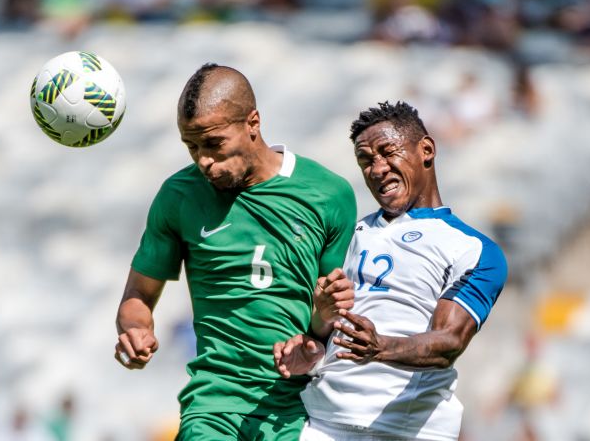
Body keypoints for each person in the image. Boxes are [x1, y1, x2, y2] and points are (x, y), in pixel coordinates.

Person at [113, 63, 357, 440]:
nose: (203, 159)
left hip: (297, 407)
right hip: (213, 406)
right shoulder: (178, 196)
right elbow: (138, 296)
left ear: (253, 123)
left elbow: (326, 316)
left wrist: (320, 322)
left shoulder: (328, 194)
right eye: (191, 146)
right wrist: (135, 330)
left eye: (214, 143)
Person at [273, 101, 508, 440]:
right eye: (365, 161)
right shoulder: (352, 234)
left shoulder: (474, 249)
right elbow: (328, 329)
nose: (377, 168)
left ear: (426, 150)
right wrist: (313, 342)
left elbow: (449, 342)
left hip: (408, 429)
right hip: (323, 423)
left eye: (387, 152)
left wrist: (381, 347)